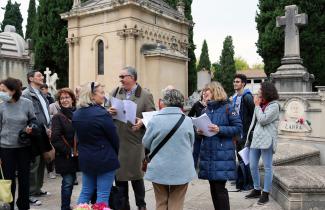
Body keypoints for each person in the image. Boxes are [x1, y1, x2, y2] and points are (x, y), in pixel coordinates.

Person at [108, 66, 155, 210]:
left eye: (123, 77)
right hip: (119, 141)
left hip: (135, 142)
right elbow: (106, 110)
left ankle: (141, 205)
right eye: (120, 77)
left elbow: (152, 116)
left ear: (133, 78)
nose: (120, 80)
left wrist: (142, 121)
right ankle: (123, 206)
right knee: (120, 178)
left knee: (136, 177)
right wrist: (108, 112)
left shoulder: (145, 95)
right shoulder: (115, 93)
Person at [143, 89, 196, 210]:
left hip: (159, 167)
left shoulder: (155, 120)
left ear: (164, 102)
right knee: (177, 203)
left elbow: (146, 142)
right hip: (182, 167)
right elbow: (191, 142)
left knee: (161, 202)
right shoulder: (187, 121)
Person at [73, 82, 119, 206]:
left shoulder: (76, 114)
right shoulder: (102, 113)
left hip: (86, 158)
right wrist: (114, 154)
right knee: (103, 194)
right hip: (105, 157)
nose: (104, 96)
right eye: (102, 93)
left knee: (86, 192)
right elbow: (114, 138)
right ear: (92, 95)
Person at [197, 81, 242, 210]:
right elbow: (204, 130)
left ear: (215, 91)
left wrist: (219, 129)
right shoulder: (205, 109)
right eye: (204, 90)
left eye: (208, 90)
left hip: (222, 153)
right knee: (213, 187)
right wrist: (200, 132)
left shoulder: (228, 107)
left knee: (219, 188)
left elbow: (238, 128)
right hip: (208, 153)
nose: (204, 92)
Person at [0, 78, 36, 210]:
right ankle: (8, 206)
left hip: (24, 147)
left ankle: (23, 205)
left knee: (24, 179)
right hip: (5, 148)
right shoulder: (1, 105)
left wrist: (31, 127)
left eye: (4, 90)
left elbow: (33, 120)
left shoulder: (26, 103)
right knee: (8, 180)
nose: (1, 93)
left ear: (13, 90)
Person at [244, 82, 280, 205]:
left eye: (260, 89)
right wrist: (248, 137)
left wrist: (257, 106)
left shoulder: (274, 106)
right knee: (252, 165)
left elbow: (263, 120)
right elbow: (254, 122)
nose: (258, 91)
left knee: (267, 167)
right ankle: (256, 189)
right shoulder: (260, 104)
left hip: (267, 140)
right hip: (256, 139)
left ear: (266, 91)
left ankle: (265, 193)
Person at [22, 70, 52, 206]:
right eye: (39, 75)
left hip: (44, 132)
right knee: (33, 164)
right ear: (30, 79)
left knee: (41, 163)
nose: (42, 77)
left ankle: (37, 189)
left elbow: (46, 112)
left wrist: (49, 126)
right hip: (34, 133)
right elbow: (29, 115)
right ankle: (29, 194)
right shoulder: (26, 94)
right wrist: (42, 128)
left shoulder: (42, 94)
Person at [51, 88, 78, 210]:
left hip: (80, 154)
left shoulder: (79, 113)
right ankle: (65, 207)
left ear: (72, 99)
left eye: (67, 97)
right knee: (68, 182)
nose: (64, 100)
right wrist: (70, 151)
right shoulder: (58, 117)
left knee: (79, 182)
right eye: (62, 98)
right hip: (65, 156)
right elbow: (55, 139)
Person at [232, 74, 255, 190]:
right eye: (234, 81)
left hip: (245, 134)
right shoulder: (235, 98)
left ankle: (249, 184)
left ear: (243, 84)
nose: (235, 83)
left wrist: (249, 134)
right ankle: (241, 183)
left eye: (237, 82)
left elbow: (253, 116)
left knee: (245, 159)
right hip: (237, 134)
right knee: (240, 159)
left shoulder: (247, 97)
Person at [188, 89, 212, 168]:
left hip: (209, 130)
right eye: (204, 94)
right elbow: (189, 116)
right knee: (196, 149)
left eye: (207, 94)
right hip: (199, 130)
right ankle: (193, 165)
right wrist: (195, 123)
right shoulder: (197, 104)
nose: (205, 96)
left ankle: (207, 165)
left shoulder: (212, 104)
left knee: (208, 149)